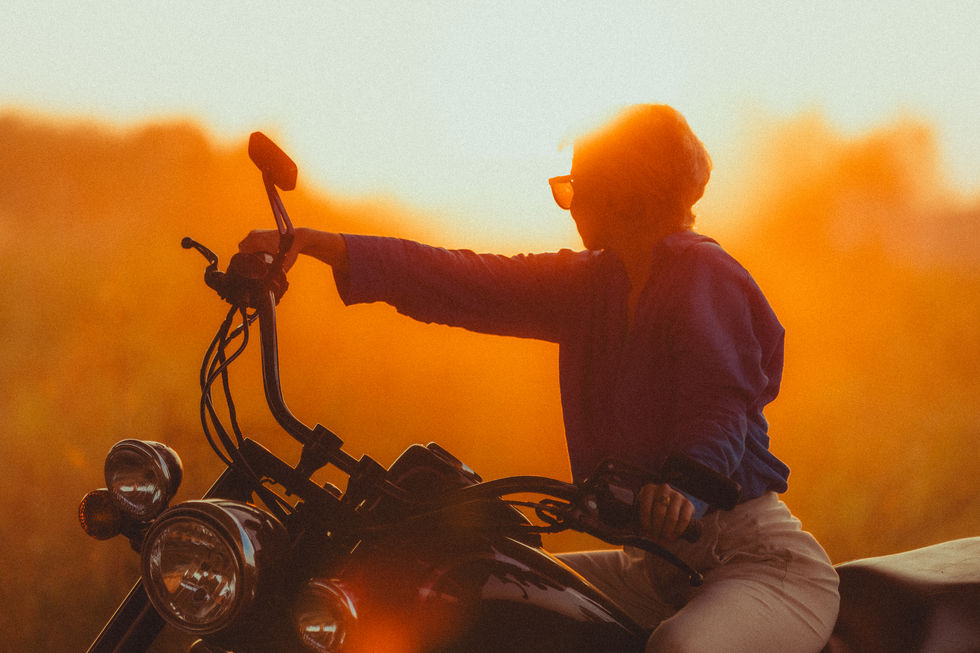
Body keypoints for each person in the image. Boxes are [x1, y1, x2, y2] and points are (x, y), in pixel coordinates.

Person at [239, 104, 840, 652]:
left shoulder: (704, 276)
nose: (570, 201)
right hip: (656, 572)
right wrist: (325, 246)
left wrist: (683, 487)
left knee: (679, 650)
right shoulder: (595, 285)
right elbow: (467, 279)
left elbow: (720, 406)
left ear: (627, 191)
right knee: (479, 585)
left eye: (577, 186)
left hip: (755, 566)